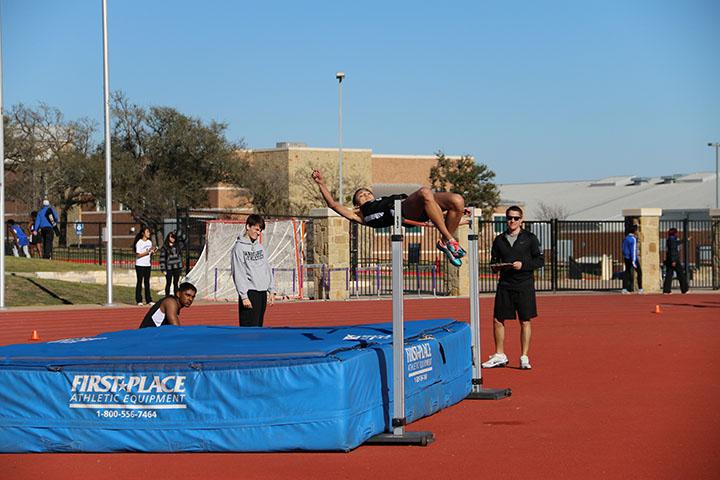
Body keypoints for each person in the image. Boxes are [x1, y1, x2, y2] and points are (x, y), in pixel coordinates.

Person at [311, 169, 467, 267]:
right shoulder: (359, 214)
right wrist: (321, 184)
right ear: (357, 205)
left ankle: (446, 243)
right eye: (361, 196)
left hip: (416, 206)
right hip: (404, 211)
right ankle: (449, 240)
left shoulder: (382, 199)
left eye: (367, 193)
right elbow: (333, 205)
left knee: (457, 201)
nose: (365, 195)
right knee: (425, 192)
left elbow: (435, 213)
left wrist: (455, 216)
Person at [482, 205, 544, 370]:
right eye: (509, 218)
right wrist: (496, 266)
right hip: (505, 284)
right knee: (498, 319)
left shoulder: (530, 238)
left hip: (524, 285)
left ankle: (524, 356)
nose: (512, 221)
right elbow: (493, 261)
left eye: (516, 218)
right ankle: (500, 354)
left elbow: (540, 261)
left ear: (521, 220)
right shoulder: (499, 240)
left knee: (525, 321)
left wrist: (522, 265)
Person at [231, 214, 275, 327]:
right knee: (249, 328)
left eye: (260, 230)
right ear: (247, 226)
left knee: (259, 326)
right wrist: (244, 296)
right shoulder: (238, 248)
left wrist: (271, 289)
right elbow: (238, 273)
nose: (259, 233)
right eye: (256, 229)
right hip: (250, 292)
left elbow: (267, 268)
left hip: (262, 292)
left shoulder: (260, 247)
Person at [134, 226, 157, 306]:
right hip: (140, 265)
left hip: (147, 265)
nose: (149, 233)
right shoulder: (139, 242)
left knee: (147, 282)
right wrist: (147, 252)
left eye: (149, 232)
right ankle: (139, 300)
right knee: (139, 282)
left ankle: (148, 299)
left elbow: (150, 253)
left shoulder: (149, 242)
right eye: (147, 232)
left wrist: (152, 252)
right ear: (143, 233)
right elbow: (138, 255)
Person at [662, 227, 689, 294]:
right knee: (680, 274)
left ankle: (666, 290)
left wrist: (686, 240)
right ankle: (684, 289)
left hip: (669, 259)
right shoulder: (672, 240)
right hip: (674, 260)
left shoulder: (669, 239)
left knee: (669, 274)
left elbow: (677, 243)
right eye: (676, 232)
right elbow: (673, 250)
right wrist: (673, 260)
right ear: (675, 233)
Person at [159, 231, 184, 296]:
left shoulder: (178, 246)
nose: (172, 238)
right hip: (169, 268)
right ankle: (167, 297)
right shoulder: (165, 247)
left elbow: (180, 257)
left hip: (177, 267)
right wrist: (163, 269)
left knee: (176, 283)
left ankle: (176, 297)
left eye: (174, 237)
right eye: (171, 237)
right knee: (168, 283)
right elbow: (162, 258)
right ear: (168, 237)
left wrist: (181, 267)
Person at [621, 224, 643, 294]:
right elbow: (633, 250)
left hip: (626, 257)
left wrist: (625, 255)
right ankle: (640, 288)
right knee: (639, 272)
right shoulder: (633, 239)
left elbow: (623, 248)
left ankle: (624, 288)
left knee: (627, 272)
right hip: (633, 258)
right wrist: (633, 261)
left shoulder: (626, 238)